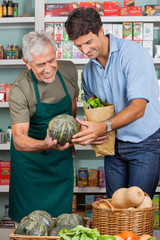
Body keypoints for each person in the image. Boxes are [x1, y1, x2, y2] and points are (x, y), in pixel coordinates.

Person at [65, 7, 160, 199]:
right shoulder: (89, 72)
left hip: (144, 143)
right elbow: (95, 110)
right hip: (112, 145)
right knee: (114, 206)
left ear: (101, 30)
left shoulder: (134, 55)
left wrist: (102, 126)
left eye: (88, 42)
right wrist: (89, 131)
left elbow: (138, 108)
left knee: (137, 209)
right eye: (78, 46)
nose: (85, 50)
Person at [8, 31, 79, 222]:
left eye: (51, 60)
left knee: (61, 222)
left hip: (60, 160)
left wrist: (71, 139)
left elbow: (72, 104)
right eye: (41, 64)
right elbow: (20, 139)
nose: (49, 69)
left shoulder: (69, 71)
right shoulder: (20, 89)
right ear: (27, 63)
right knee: (28, 224)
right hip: (30, 165)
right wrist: (46, 144)